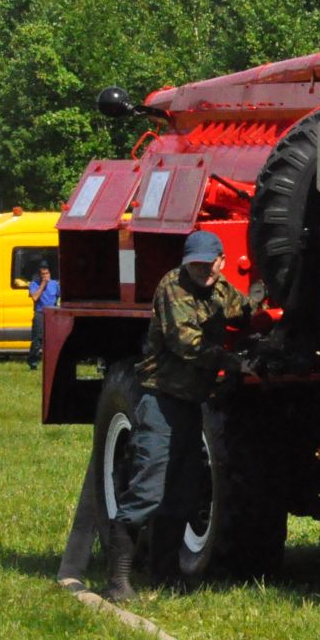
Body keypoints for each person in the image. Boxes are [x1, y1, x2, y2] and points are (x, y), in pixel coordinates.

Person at [105, 230, 253, 600]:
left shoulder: (219, 288)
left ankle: (166, 572)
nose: (203, 271)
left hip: (190, 404)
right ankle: (117, 580)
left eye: (209, 264)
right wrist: (233, 362)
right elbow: (187, 343)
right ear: (186, 263)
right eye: (196, 265)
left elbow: (244, 309)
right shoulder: (173, 288)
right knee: (148, 488)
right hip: (160, 401)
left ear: (221, 261)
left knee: (184, 493)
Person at [28, 262, 58, 370]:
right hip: (40, 313)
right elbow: (35, 297)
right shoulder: (34, 284)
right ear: (39, 275)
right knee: (37, 340)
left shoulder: (55, 284)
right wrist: (43, 285)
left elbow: (58, 298)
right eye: (43, 274)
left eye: (47, 274)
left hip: (52, 314)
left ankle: (51, 363)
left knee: (52, 340)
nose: (45, 276)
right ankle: (33, 363)